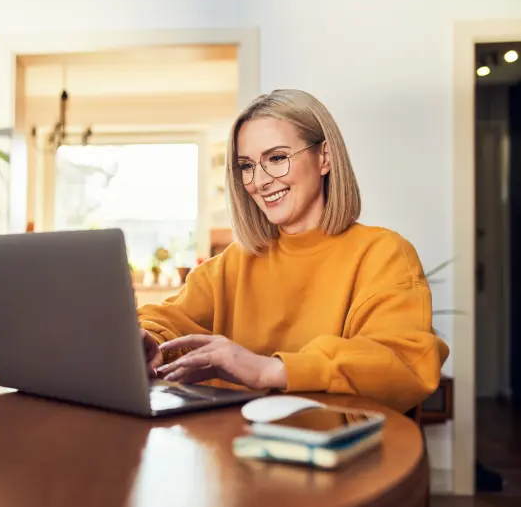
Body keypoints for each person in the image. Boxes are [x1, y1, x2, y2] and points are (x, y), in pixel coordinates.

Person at [138, 89, 449, 414]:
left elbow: (403, 362)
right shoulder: (232, 264)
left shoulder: (383, 254)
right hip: (237, 442)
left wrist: (269, 370)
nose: (259, 181)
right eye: (247, 166)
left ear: (324, 157)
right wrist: (146, 340)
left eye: (276, 158)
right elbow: (165, 319)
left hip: (335, 443)